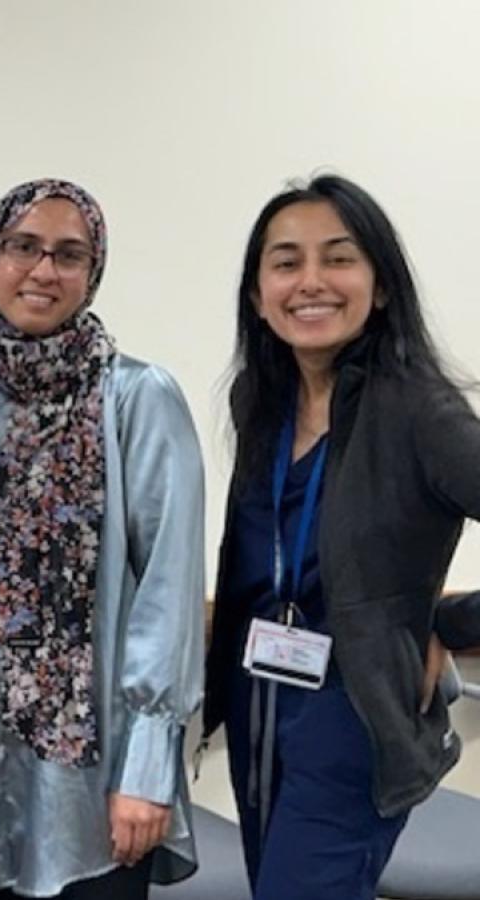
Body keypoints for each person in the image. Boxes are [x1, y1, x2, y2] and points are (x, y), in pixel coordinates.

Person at [0, 179, 204, 899]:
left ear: (92, 273)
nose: (43, 270)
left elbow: (167, 588)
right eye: (23, 247)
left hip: (89, 781)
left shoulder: (136, 397)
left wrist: (146, 770)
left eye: (69, 254)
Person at [202, 173, 480, 900]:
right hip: (258, 695)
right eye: (286, 262)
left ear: (380, 285)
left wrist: (449, 621)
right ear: (258, 293)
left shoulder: (420, 409)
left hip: (352, 713)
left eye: (339, 257)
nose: (311, 281)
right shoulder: (260, 399)